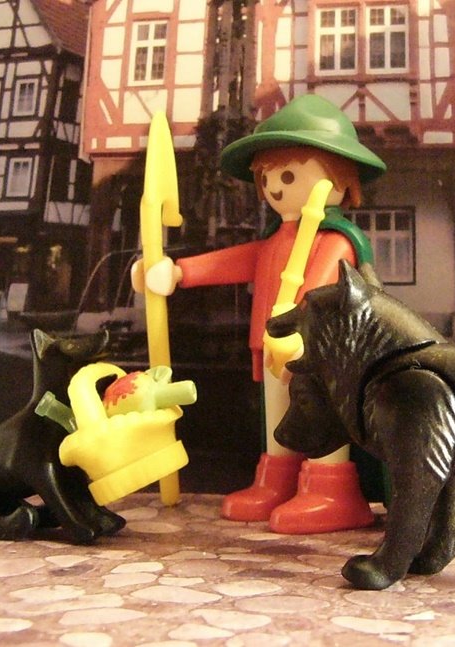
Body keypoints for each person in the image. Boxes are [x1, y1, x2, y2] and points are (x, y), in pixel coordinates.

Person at [136, 95, 387, 534]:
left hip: (320, 353)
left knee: (323, 413)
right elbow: (238, 260)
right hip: (272, 346)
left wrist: (298, 327)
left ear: (340, 178)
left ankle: (331, 488)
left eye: (287, 175)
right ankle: (278, 480)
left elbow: (318, 287)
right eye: (266, 177)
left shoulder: (336, 240)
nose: (274, 187)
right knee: (278, 415)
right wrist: (178, 271)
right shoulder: (276, 239)